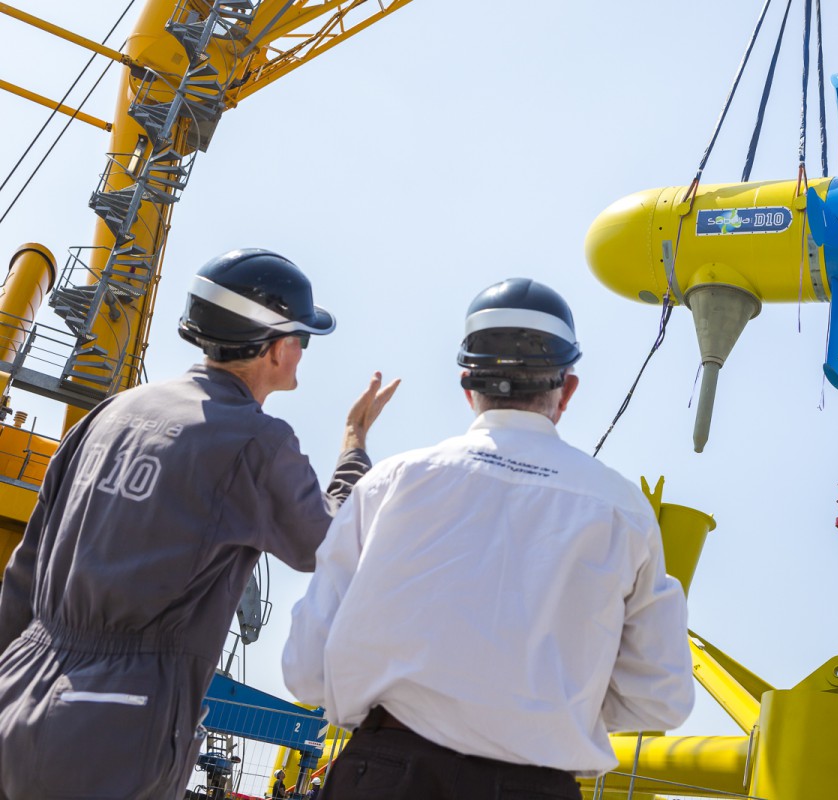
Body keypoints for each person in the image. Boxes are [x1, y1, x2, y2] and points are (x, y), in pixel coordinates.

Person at [0, 249, 399, 800]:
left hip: (14, 692)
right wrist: (354, 447)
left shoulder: (111, 412)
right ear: (277, 347)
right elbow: (329, 543)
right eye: (302, 338)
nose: (302, 351)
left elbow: (23, 573)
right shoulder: (254, 442)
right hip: (111, 729)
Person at [282, 278, 694, 800]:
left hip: (385, 775)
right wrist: (552, 708)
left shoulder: (391, 483)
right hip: (535, 786)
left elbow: (305, 669)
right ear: (566, 390)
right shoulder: (621, 510)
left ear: (467, 386)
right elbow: (663, 696)